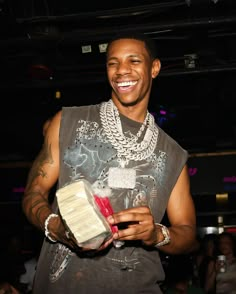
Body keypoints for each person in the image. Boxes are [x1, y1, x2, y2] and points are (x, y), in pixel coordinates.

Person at [22, 32, 197, 293]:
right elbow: (32, 194)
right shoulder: (67, 122)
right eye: (113, 63)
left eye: (134, 61)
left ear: (154, 68)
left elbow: (188, 233)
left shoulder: (172, 153)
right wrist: (57, 227)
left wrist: (156, 234)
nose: (121, 71)